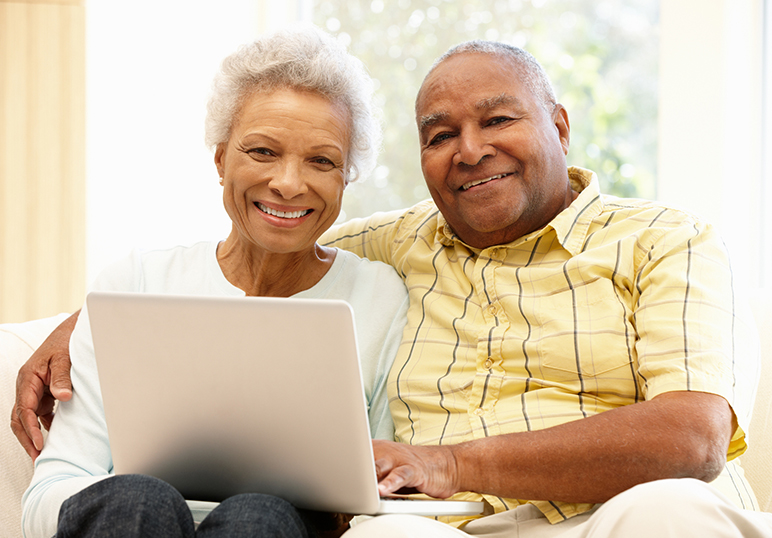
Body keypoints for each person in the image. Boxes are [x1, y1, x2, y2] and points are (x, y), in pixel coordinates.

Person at [14, 39, 772, 537]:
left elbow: (694, 437)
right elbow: (269, 246)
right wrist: (91, 320)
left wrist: (454, 464)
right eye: (440, 135)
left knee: (671, 512)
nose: (470, 150)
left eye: (498, 119)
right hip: (448, 525)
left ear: (561, 125)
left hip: (617, 513)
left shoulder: (667, 239)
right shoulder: (395, 247)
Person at [18, 26, 409, 538]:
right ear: (221, 159)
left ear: (346, 177)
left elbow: (385, 495)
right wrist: (132, 506)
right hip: (130, 522)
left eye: (321, 160)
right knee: (142, 500)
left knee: (258, 517)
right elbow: (50, 492)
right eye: (263, 151)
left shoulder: (381, 298)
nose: (289, 183)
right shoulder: (136, 282)